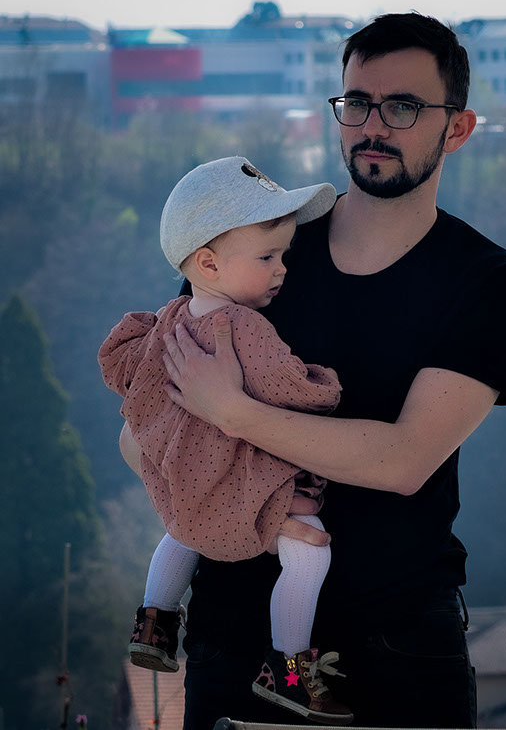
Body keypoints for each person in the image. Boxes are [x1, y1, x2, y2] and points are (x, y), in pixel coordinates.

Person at [131, 12, 506, 728]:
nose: (372, 126)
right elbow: (144, 431)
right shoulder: (260, 250)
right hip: (235, 634)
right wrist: (242, 495)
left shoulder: (487, 281)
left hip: (401, 643)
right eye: (357, 103)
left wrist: (235, 415)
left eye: (403, 106)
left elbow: (403, 460)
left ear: (458, 128)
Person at [100, 156, 354, 725]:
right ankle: (290, 671)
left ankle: (155, 621)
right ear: (209, 263)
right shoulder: (243, 326)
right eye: (267, 257)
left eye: (283, 255)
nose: (282, 269)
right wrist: (325, 384)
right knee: (309, 551)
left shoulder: (168, 318)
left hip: (188, 475)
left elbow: (129, 373)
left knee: (183, 529)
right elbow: (289, 387)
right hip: (240, 475)